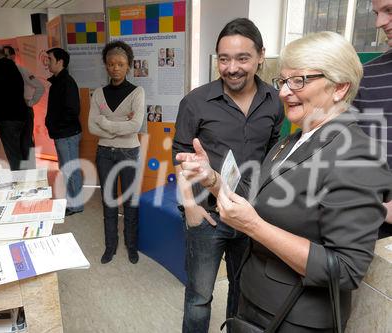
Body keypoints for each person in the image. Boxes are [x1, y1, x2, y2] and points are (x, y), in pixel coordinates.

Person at [178, 31, 392, 332]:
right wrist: (212, 180)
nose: (284, 92)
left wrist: (253, 227)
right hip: (255, 303)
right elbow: (261, 196)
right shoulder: (294, 140)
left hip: (293, 318)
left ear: (340, 88)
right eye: (283, 81)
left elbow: (344, 269)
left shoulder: (357, 156)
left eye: (299, 81)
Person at [172, 18, 285, 333]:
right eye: (224, 59)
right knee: (199, 297)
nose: (232, 67)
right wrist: (191, 208)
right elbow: (179, 155)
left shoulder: (275, 101)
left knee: (243, 293)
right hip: (208, 217)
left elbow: (273, 151)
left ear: (261, 56)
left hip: (251, 216)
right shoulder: (195, 102)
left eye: (242, 58)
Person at [88, 40, 145, 264]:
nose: (116, 68)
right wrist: (119, 125)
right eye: (111, 64)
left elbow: (136, 126)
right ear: (106, 65)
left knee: (130, 201)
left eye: (121, 64)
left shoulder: (137, 92)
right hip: (104, 153)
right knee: (108, 201)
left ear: (129, 66)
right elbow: (92, 127)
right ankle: (110, 246)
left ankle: (132, 246)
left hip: (129, 153)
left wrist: (106, 123)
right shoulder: (98, 94)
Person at [353, 0, 392, 238]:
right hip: (371, 227)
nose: (379, 23)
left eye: (389, 11)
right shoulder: (366, 77)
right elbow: (347, 153)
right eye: (377, 13)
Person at [45, 47, 84, 216]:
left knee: (70, 168)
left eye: (50, 60)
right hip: (63, 133)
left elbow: (72, 110)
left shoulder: (66, 82)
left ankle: (76, 205)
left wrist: (57, 126)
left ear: (60, 62)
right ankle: (71, 201)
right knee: (66, 168)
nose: (47, 63)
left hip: (67, 134)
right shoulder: (58, 82)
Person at [0, 45, 30, 171]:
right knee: (24, 150)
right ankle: (29, 179)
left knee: (13, 154)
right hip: (22, 115)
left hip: (7, 118)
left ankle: (20, 183)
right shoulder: (15, 69)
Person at [3, 45, 45, 169]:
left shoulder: (21, 70)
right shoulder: (1, 73)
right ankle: (20, 176)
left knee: (26, 143)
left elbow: (40, 87)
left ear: (13, 56)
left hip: (24, 110)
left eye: (5, 56)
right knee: (14, 147)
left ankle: (31, 175)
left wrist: (30, 102)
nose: (3, 59)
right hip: (10, 113)